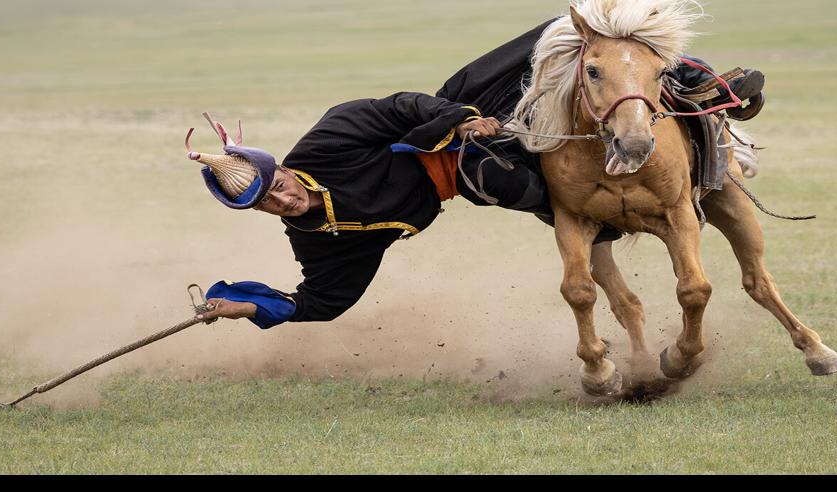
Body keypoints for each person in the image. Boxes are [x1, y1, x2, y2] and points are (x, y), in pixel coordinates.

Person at [190, 17, 763, 328]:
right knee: (506, 182)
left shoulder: (327, 142)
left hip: (466, 115)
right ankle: (608, 220)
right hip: (470, 174)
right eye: (268, 204)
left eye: (277, 185)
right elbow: (322, 300)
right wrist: (249, 306)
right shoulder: (319, 240)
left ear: (282, 168)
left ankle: (700, 88)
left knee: (565, 40)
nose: (283, 200)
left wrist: (461, 120)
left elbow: (397, 107)